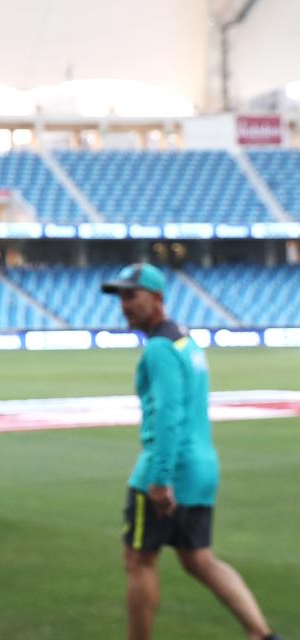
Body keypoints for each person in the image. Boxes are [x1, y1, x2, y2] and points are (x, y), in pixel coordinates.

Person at [103, 263, 278, 640]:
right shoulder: (186, 341)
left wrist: (161, 478)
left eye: (131, 296)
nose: (124, 306)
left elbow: (168, 416)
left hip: (166, 470)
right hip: (201, 467)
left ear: (158, 298)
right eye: (120, 298)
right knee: (199, 559)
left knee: (138, 560)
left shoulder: (160, 349)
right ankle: (261, 633)